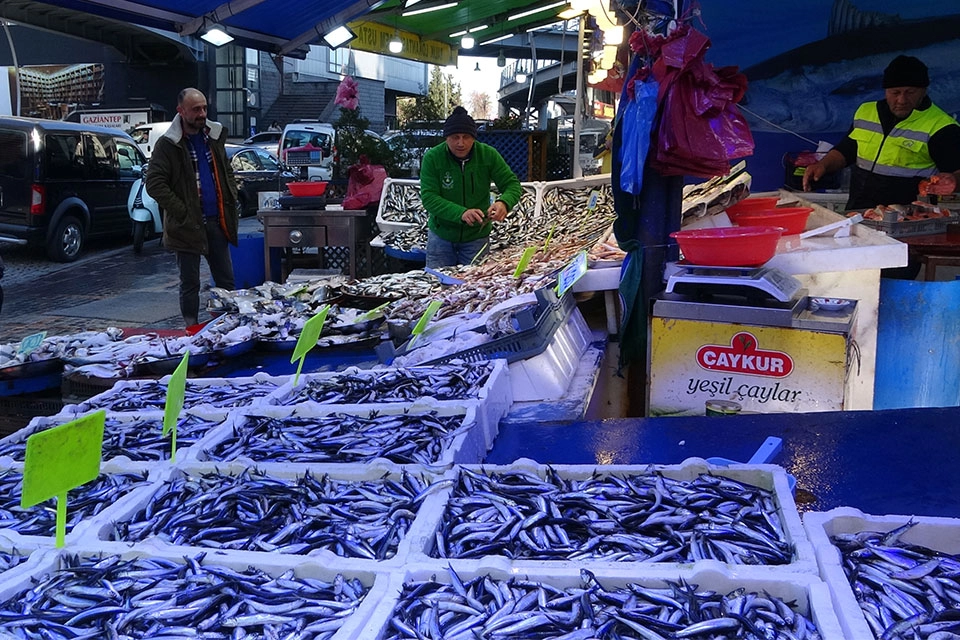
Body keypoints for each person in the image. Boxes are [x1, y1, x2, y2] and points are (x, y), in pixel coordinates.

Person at [802, 55, 960, 210]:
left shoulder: (942, 126)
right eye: (895, 93)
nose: (902, 100)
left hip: (908, 217)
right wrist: (823, 165)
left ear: (923, 91)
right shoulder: (866, 111)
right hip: (859, 211)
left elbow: (956, 173)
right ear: (886, 91)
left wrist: (953, 180)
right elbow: (847, 149)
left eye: (910, 92)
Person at [146, 88, 238, 328]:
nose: (202, 114)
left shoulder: (213, 136)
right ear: (181, 111)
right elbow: (154, 184)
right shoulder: (168, 144)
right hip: (186, 227)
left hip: (216, 221)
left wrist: (231, 194)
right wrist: (182, 212)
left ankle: (228, 327)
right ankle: (191, 329)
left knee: (226, 281)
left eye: (204, 108)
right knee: (190, 283)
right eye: (196, 109)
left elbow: (225, 170)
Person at [420, 106, 522, 268]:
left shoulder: (488, 155)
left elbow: (512, 184)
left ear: (474, 137)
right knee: (437, 282)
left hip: (477, 238)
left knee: (475, 283)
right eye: (455, 137)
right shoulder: (432, 158)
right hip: (441, 238)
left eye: (466, 137)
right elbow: (429, 198)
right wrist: (461, 213)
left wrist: (504, 202)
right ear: (446, 138)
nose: (461, 143)